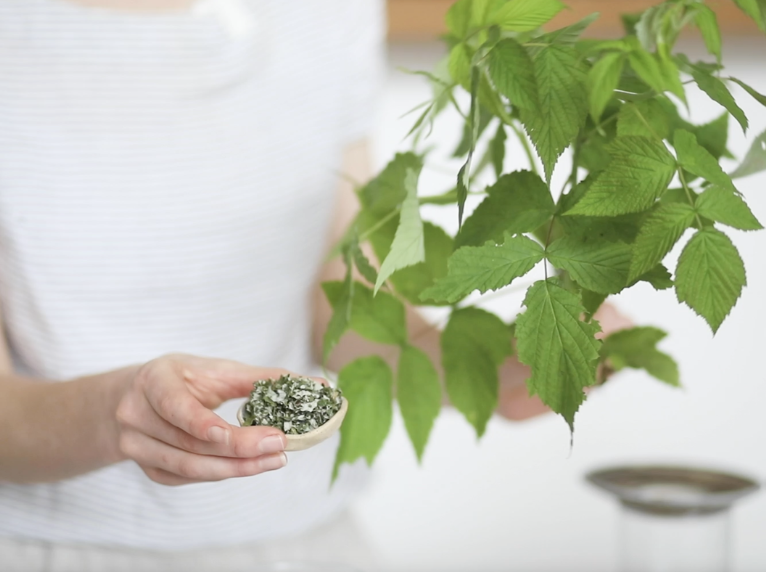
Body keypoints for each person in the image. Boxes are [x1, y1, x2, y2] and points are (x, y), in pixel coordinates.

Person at [0, 1, 631, 570]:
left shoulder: (328, 12)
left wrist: (487, 366)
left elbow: (343, 302)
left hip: (300, 543)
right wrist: (122, 412)